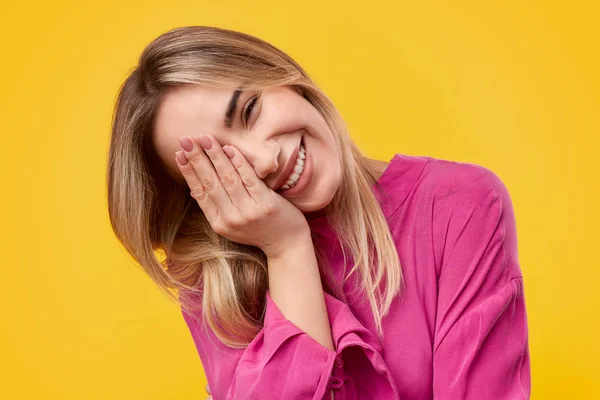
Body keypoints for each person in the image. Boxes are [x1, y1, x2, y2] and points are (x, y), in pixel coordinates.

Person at [106, 25, 531, 399]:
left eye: (250, 110)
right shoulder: (214, 280)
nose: (265, 159)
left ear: (281, 75)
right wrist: (287, 249)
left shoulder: (460, 203)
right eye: (223, 164)